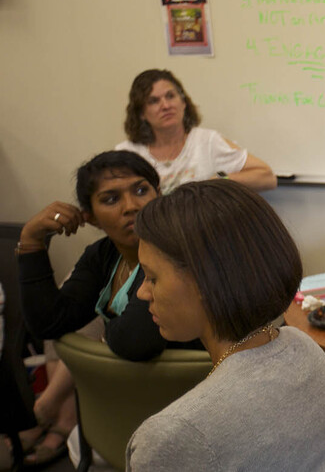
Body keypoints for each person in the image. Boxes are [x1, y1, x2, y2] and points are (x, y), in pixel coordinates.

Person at [126, 179, 325, 471]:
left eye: (152, 278)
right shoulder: (304, 348)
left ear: (204, 281)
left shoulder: (173, 437)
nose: (142, 292)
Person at [13, 150, 199, 467]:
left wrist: (100, 339)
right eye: (111, 199)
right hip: (132, 413)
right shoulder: (103, 255)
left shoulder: (175, 253)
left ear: (159, 195)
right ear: (90, 217)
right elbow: (48, 321)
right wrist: (31, 241)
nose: (132, 206)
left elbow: (136, 340)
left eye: (142, 190)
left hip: (188, 415)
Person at [116, 69, 276, 194]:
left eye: (170, 96)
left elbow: (267, 177)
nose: (165, 106)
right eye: (154, 101)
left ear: (183, 102)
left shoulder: (207, 141)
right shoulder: (126, 154)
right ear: (141, 113)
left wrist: (219, 180)